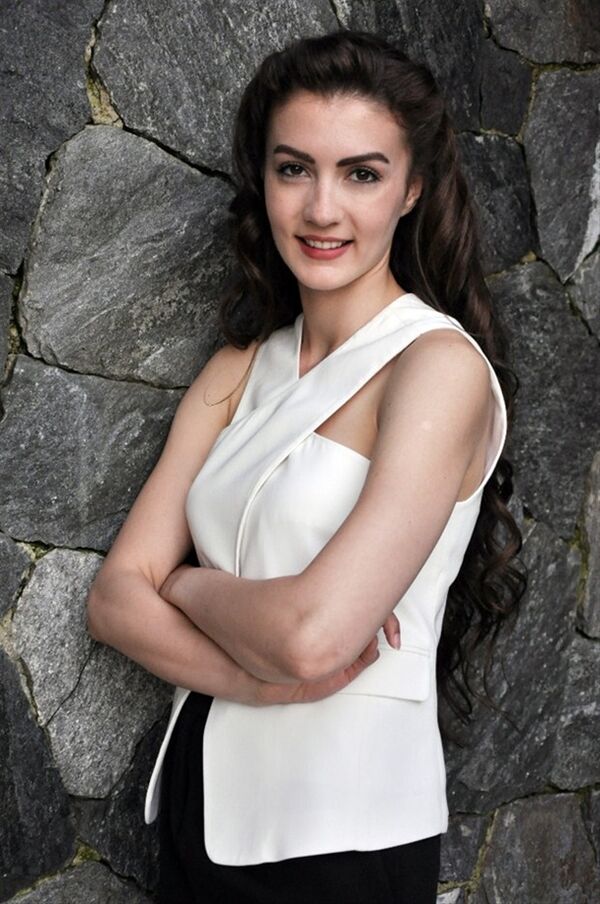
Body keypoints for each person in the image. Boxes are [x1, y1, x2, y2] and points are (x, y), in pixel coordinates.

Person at [86, 29, 525, 904]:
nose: (323, 209)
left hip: (341, 837)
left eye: (361, 174)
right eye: (295, 169)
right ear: (265, 179)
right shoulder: (240, 366)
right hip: (199, 810)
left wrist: (184, 585)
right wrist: (257, 682)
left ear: (411, 189)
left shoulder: (437, 367)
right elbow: (112, 601)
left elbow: (312, 638)